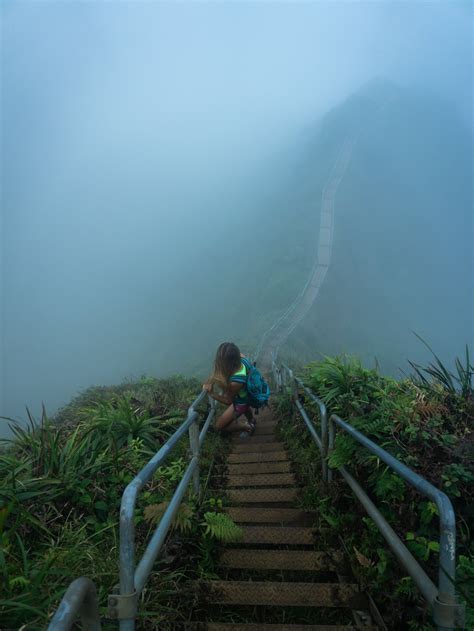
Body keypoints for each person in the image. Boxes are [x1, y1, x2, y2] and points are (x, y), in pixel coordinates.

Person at [203, 342, 256, 437]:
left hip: (242, 401)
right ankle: (252, 420)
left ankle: (246, 426)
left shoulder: (236, 382)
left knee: (218, 427)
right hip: (247, 394)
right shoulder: (242, 359)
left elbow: (228, 401)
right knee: (246, 405)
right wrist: (211, 380)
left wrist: (212, 394)